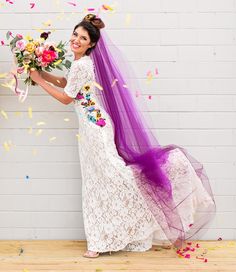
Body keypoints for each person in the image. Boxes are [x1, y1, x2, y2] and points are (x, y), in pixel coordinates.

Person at [29, 14, 216, 258]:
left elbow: (66, 97)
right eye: (75, 34)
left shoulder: (82, 64)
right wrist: (43, 74)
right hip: (93, 128)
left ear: (92, 44)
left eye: (83, 38)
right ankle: (100, 239)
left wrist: (37, 81)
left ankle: (170, 170)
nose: (76, 39)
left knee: (113, 178)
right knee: (98, 182)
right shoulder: (80, 64)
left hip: (95, 130)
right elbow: (68, 83)